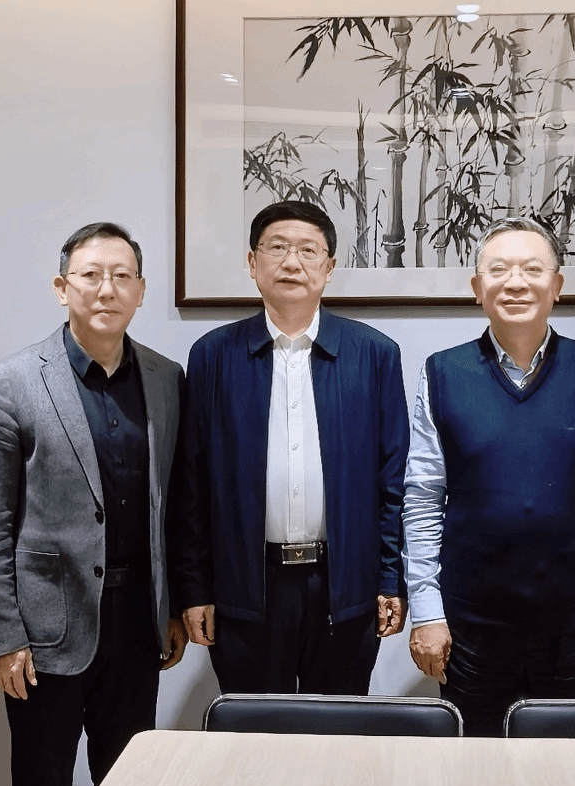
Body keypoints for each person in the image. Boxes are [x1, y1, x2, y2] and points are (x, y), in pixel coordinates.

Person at [0, 223, 187, 786]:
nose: (106, 289)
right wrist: (2, 637)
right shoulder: (11, 381)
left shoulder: (166, 378)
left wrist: (172, 604)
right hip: (44, 633)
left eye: (122, 276)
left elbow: (174, 504)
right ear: (62, 288)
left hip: (137, 625)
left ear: (140, 290)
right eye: (90, 275)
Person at [404, 216, 575, 737]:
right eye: (499, 270)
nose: (515, 283)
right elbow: (423, 499)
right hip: (470, 626)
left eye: (532, 269)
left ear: (556, 286)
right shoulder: (441, 373)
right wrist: (426, 611)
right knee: (478, 764)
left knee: (571, 766)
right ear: (477, 288)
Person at [173, 200, 408, 694]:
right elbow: (191, 485)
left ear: (329, 266)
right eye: (276, 248)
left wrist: (390, 578)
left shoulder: (374, 354)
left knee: (338, 728)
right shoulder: (213, 356)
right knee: (254, 729)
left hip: (344, 586)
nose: (292, 262)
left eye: (307, 250)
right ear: (252, 262)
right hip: (245, 588)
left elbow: (393, 482)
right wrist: (194, 587)